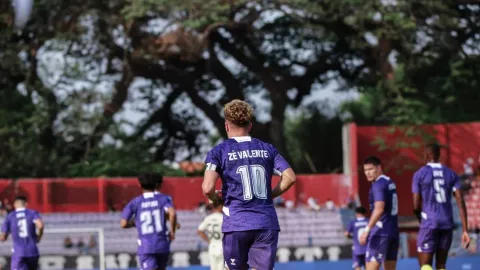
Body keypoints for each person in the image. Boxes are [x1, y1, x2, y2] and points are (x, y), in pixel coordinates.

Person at [202, 99, 296, 270]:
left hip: (236, 223)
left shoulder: (219, 152)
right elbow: (289, 177)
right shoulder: (268, 149)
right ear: (250, 125)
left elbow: (207, 188)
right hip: (265, 222)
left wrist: (216, 199)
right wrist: (270, 194)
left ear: (226, 125)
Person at [412, 143, 470, 270]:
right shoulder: (452, 174)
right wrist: (465, 230)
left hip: (429, 222)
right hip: (447, 222)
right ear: (439, 156)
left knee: (425, 265)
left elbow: (416, 205)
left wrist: (419, 217)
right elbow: (460, 202)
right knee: (441, 264)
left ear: (426, 155)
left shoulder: (419, 174)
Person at [120, 173, 177, 270]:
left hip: (146, 246)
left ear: (140, 185)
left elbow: (123, 223)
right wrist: (172, 231)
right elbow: (172, 213)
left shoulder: (135, 202)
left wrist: (134, 223)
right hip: (162, 244)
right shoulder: (163, 199)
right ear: (156, 185)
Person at [359, 156, 399, 270]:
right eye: (365, 170)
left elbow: (379, 209)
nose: (368, 173)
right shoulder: (389, 181)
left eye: (371, 169)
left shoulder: (378, 185)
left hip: (380, 232)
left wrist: (366, 230)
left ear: (379, 168)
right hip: (393, 232)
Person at [0, 195, 44, 270]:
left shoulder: (10, 216)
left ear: (14, 204)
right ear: (26, 204)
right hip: (33, 251)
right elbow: (40, 225)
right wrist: (38, 237)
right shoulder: (32, 213)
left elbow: (3, 237)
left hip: (18, 252)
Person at [197, 200, 224, 270]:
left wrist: (208, 241)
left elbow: (199, 231)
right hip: (222, 245)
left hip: (212, 246)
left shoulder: (208, 218)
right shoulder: (223, 218)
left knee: (213, 268)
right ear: (220, 206)